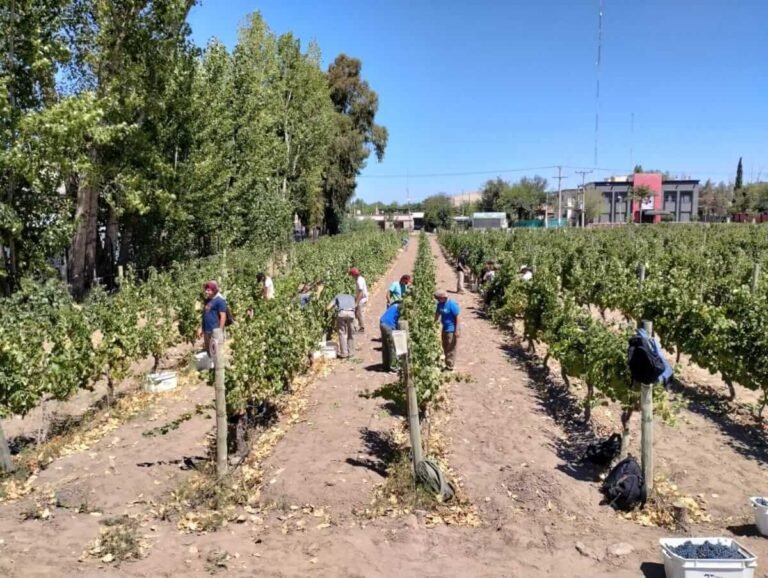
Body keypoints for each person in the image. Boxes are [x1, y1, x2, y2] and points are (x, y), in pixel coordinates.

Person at [197, 280, 227, 357]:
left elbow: (223, 316)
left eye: (209, 290)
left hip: (214, 330)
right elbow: (205, 315)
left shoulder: (220, 301)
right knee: (209, 351)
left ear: (214, 291)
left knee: (216, 351)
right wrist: (201, 328)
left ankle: (217, 367)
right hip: (207, 330)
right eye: (206, 290)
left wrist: (220, 330)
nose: (206, 292)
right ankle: (211, 367)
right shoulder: (207, 301)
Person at [434, 290, 461, 371]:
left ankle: (450, 366)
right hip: (445, 328)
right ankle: (447, 363)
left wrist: (457, 330)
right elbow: (437, 314)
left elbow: (458, 318)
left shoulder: (452, 305)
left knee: (451, 347)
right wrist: (433, 323)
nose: (437, 300)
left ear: (443, 298)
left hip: (452, 329)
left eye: (438, 298)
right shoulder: (440, 304)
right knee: (445, 346)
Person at [327, 292, 357, 359]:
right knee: (351, 333)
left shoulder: (337, 296)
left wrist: (326, 311)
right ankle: (351, 353)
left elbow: (328, 307)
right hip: (351, 313)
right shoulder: (351, 297)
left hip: (342, 313)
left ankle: (344, 353)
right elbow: (355, 306)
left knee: (342, 333)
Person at [379, 302, 401, 374]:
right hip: (389, 325)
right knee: (392, 347)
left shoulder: (394, 305)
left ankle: (385, 365)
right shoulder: (401, 308)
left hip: (382, 323)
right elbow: (399, 323)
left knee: (385, 346)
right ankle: (393, 368)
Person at [349, 267, 368, 333]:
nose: (351, 277)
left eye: (352, 275)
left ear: (354, 274)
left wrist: (356, 302)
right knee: (357, 313)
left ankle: (362, 328)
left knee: (359, 314)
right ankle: (358, 327)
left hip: (361, 299)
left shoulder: (359, 280)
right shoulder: (360, 279)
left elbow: (361, 292)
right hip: (361, 298)